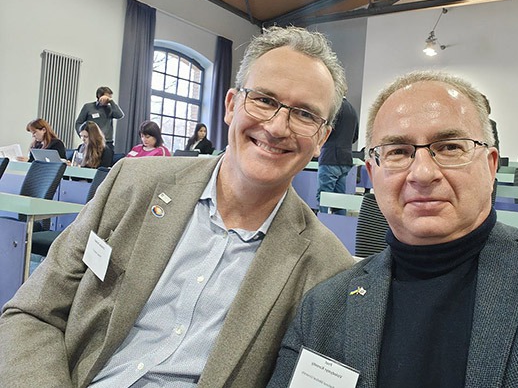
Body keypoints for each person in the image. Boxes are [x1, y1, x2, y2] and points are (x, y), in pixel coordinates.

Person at [0, 26, 354, 387]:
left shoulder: (326, 268)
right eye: (264, 100)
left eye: (305, 114)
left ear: (322, 138)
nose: (277, 127)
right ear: (231, 105)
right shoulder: (132, 184)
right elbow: (33, 313)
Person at [267, 71, 518, 388]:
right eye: (398, 152)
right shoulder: (324, 309)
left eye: (450, 147)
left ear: (490, 166)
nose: (423, 173)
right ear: (372, 172)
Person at [316, 96, 359, 214]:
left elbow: (324, 131)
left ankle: (321, 223)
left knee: (323, 197)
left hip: (330, 157)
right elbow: (355, 136)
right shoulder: (352, 110)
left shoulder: (334, 108)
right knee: (340, 201)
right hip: (346, 159)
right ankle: (340, 223)